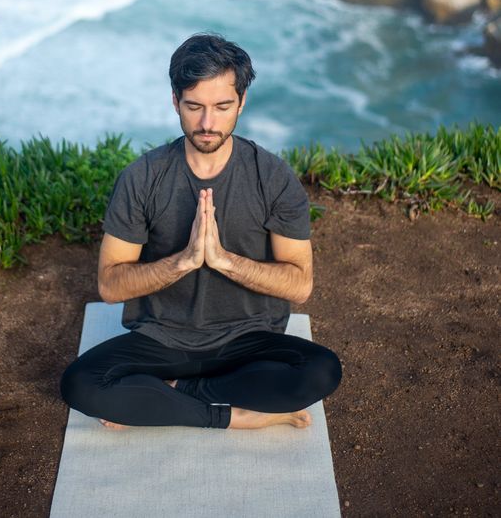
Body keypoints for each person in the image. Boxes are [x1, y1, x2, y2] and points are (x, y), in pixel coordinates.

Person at [60, 33, 342, 431]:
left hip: (249, 339)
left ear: (242, 102)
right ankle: (231, 415)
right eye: (194, 106)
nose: (208, 123)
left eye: (222, 106)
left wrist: (225, 262)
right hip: (162, 340)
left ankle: (174, 394)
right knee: (79, 384)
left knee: (322, 370)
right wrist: (183, 262)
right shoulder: (142, 178)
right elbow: (110, 285)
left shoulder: (272, 176)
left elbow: (299, 285)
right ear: (175, 101)